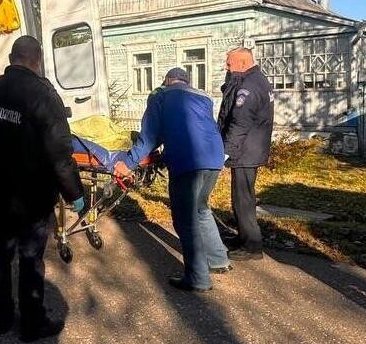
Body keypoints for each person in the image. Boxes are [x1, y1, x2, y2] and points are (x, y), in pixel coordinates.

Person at [0, 35, 86, 341]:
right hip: (32, 199)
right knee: (30, 260)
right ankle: (32, 324)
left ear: (12, 58)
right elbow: (60, 155)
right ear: (36, 59)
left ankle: (2, 319)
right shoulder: (43, 95)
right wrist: (77, 196)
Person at [115, 67, 231, 292]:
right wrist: (165, 154)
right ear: (187, 82)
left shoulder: (161, 95)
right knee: (201, 209)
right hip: (215, 157)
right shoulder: (202, 97)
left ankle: (198, 278)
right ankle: (218, 259)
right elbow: (191, 129)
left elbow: (149, 136)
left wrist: (127, 163)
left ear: (167, 80)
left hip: (189, 161)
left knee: (185, 220)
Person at [217, 47, 274, 261]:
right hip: (250, 149)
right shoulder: (256, 80)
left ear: (242, 63)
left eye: (229, 64)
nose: (226, 67)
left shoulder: (248, 87)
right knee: (243, 197)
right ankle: (244, 238)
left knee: (243, 200)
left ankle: (252, 246)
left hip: (244, 151)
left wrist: (224, 153)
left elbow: (239, 123)